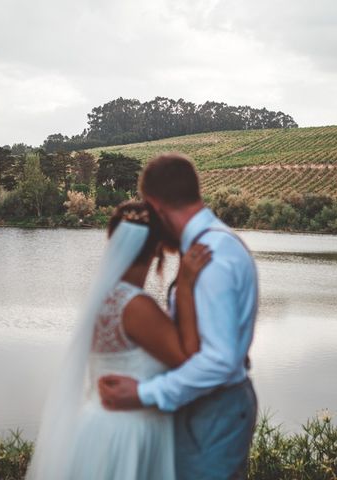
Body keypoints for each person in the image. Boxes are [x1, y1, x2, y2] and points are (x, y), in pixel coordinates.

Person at [99, 153, 259, 479]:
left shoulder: (211, 255)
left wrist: (144, 393)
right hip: (205, 409)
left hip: (214, 411)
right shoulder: (208, 246)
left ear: (156, 206)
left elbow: (219, 360)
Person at [25, 200, 211, 480]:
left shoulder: (102, 297)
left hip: (96, 427)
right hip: (130, 434)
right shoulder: (135, 306)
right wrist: (185, 285)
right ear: (157, 250)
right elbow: (191, 362)